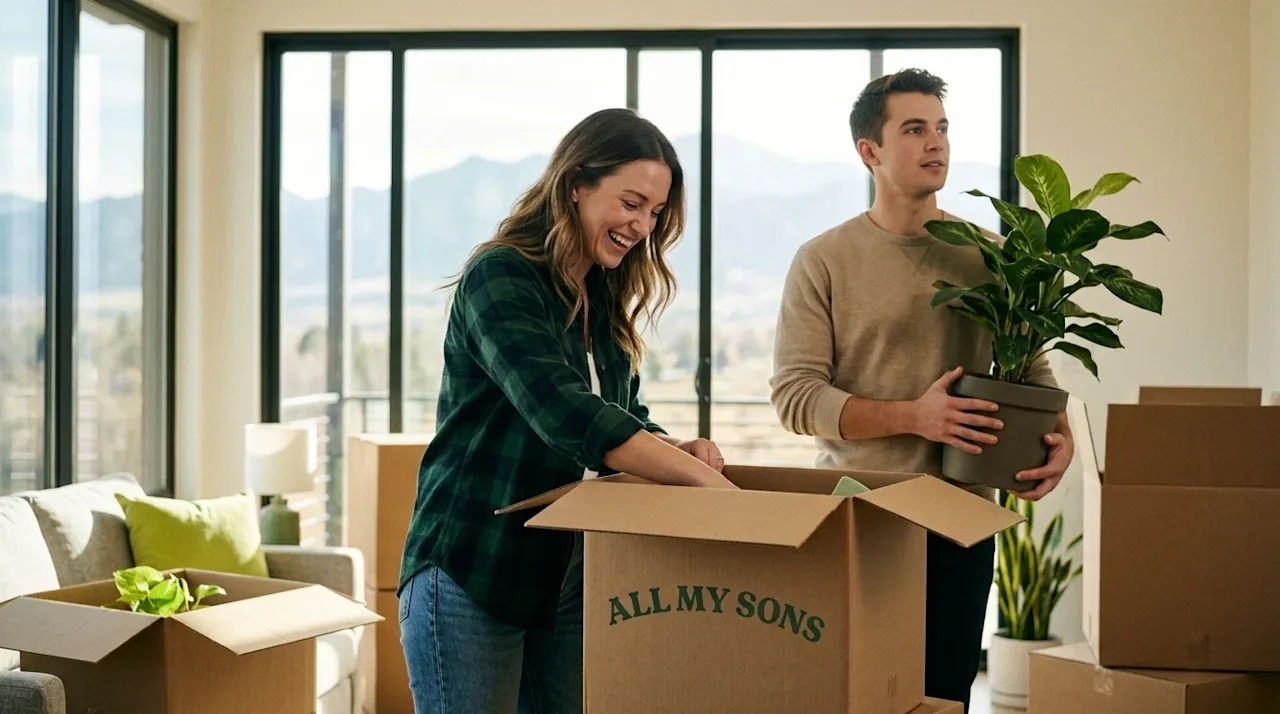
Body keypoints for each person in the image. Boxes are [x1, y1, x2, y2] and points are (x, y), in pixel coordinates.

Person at [397, 107, 737, 714]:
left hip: (566, 575)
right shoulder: (499, 277)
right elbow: (565, 413)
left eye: (655, 213)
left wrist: (677, 450)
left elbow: (623, 414)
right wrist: (702, 484)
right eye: (631, 202)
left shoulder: (602, 297)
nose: (642, 225)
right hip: (473, 569)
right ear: (576, 184)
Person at [768, 69, 1074, 712]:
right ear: (869, 152)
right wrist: (917, 417)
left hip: (962, 519)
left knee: (945, 696)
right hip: (860, 518)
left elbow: (1033, 372)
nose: (935, 143)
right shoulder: (823, 259)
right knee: (852, 693)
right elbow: (796, 398)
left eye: (941, 128)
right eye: (914, 129)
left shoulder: (991, 255)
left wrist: (1058, 436)